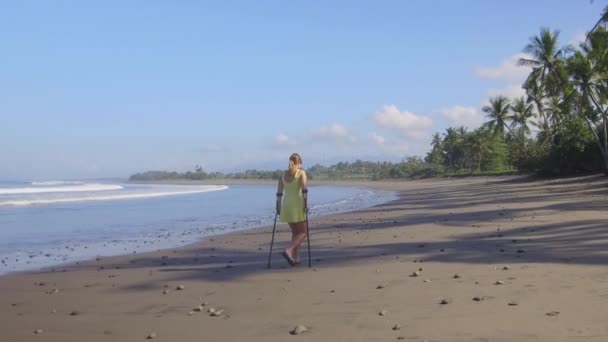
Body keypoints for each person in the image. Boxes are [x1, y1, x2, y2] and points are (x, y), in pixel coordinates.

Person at [276, 153, 308, 266]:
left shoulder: (283, 174)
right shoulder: (301, 173)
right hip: (297, 205)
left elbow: (279, 193)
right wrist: (305, 204)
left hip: (286, 206)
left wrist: (278, 206)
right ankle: (289, 250)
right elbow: (304, 190)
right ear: (299, 163)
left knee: (296, 232)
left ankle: (295, 257)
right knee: (304, 232)